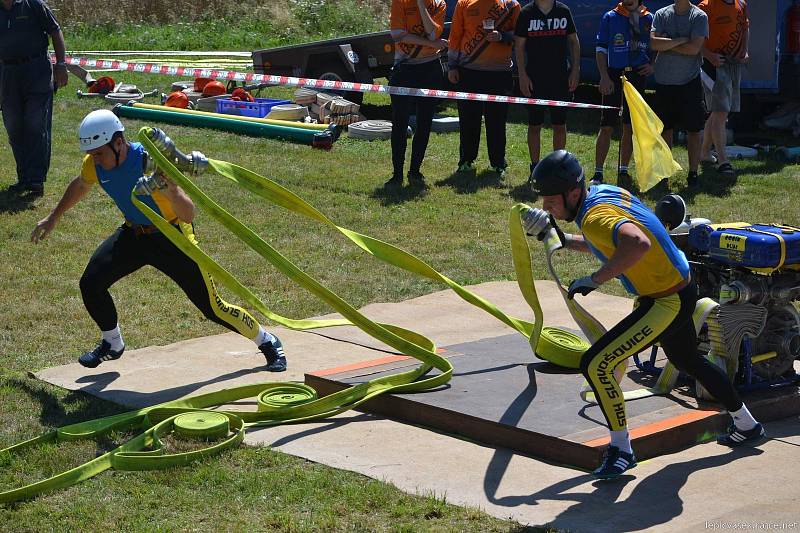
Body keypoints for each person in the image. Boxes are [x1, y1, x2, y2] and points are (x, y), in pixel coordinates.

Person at [523, 150, 766, 480]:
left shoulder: (594, 218)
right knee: (686, 360)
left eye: (550, 201)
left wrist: (595, 280)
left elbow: (636, 243)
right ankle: (747, 424)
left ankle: (622, 450)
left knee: (596, 364)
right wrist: (561, 239)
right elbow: (608, 242)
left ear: (573, 193)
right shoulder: (601, 194)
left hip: (666, 300)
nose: (546, 208)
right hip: (681, 285)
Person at [30, 110, 287, 372]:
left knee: (213, 307)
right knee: (91, 283)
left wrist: (171, 190)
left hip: (174, 236)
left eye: (99, 153)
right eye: (92, 154)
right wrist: (53, 217)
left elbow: (188, 213)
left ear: (118, 143)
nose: (95, 160)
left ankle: (268, 341)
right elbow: (81, 185)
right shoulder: (94, 163)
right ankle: (113, 343)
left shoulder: (150, 161)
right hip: (134, 235)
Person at [0, 0, 68, 196]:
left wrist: (61, 64)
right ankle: (24, 177)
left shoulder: (33, 4)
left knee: (35, 124)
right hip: (8, 74)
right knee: (14, 127)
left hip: (37, 71)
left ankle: (36, 179)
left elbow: (55, 31)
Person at [448, 0, 520, 178]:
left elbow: (520, 35)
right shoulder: (464, 3)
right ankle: (466, 160)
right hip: (468, 71)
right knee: (468, 119)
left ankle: (498, 163)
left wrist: (502, 36)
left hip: (499, 72)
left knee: (496, 120)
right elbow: (455, 36)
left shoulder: (511, 5)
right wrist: (452, 66)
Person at [514, 0, 579, 186]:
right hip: (535, 78)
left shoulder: (563, 11)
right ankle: (535, 169)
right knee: (535, 125)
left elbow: (574, 42)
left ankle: (558, 167)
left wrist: (575, 70)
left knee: (560, 124)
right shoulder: (526, 13)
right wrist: (522, 75)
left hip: (559, 78)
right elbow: (519, 46)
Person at [591, 0, 654, 189]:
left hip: (637, 75)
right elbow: (601, 49)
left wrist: (652, 65)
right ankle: (598, 171)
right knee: (607, 124)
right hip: (614, 74)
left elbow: (656, 45)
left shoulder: (648, 18)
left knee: (630, 126)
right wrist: (603, 76)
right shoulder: (610, 17)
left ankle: (624, 169)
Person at [386, 0, 448, 188]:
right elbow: (397, 35)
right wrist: (432, 43)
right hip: (404, 69)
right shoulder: (400, 2)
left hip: (430, 68)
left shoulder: (439, 4)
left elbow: (432, 32)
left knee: (424, 122)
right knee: (399, 122)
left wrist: (422, 5)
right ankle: (397, 174)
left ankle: (415, 171)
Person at [649, 0, 708, 187]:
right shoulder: (660, 14)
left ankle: (693, 173)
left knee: (694, 130)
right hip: (664, 82)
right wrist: (682, 40)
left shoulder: (699, 17)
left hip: (689, 82)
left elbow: (694, 49)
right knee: (665, 129)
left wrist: (667, 43)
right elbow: (653, 43)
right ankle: (665, 173)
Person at [698, 0, 749, 179]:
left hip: (733, 65)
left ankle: (703, 153)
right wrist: (709, 55)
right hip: (714, 65)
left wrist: (745, 50)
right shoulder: (705, 6)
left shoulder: (741, 4)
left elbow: (745, 28)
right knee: (720, 112)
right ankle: (723, 160)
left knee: (719, 113)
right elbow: (694, 37)